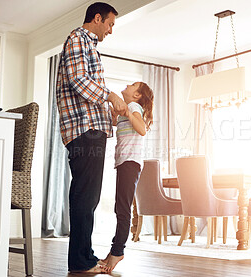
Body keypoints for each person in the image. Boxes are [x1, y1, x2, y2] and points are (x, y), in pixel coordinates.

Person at [55, 2, 128, 274]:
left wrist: (109, 110)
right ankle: (80, 262)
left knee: (88, 197)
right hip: (85, 131)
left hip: (91, 129)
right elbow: (78, 79)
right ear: (97, 18)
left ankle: (84, 256)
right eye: (109, 24)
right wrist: (110, 95)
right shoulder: (78, 38)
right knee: (86, 197)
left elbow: (84, 86)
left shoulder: (88, 45)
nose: (110, 31)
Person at [99, 82, 154, 273]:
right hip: (125, 162)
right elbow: (117, 123)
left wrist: (128, 113)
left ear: (137, 95)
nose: (127, 85)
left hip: (130, 162)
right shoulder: (129, 107)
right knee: (120, 207)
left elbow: (141, 129)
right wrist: (115, 114)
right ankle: (114, 250)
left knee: (123, 209)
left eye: (132, 85)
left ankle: (118, 251)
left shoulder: (133, 107)